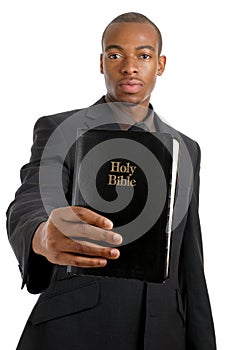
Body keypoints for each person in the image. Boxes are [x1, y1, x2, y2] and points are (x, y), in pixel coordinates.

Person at [6, 12, 216, 350]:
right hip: (77, 331)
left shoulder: (187, 148)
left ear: (160, 64)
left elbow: (191, 260)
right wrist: (43, 235)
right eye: (116, 55)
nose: (130, 67)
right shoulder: (60, 130)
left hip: (166, 335)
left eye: (143, 56)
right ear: (101, 63)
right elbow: (30, 200)